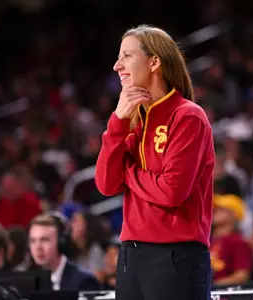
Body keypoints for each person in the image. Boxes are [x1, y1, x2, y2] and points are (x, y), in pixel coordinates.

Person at [95, 24, 214, 300]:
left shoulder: (188, 116)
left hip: (175, 256)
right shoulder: (132, 119)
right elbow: (105, 184)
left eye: (126, 56)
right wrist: (117, 122)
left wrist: (128, 172)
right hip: (131, 256)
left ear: (155, 62)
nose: (116, 66)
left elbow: (172, 191)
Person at [27, 212, 100, 291]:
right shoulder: (28, 281)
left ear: (61, 242)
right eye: (33, 240)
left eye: (45, 240)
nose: (38, 247)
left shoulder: (84, 281)